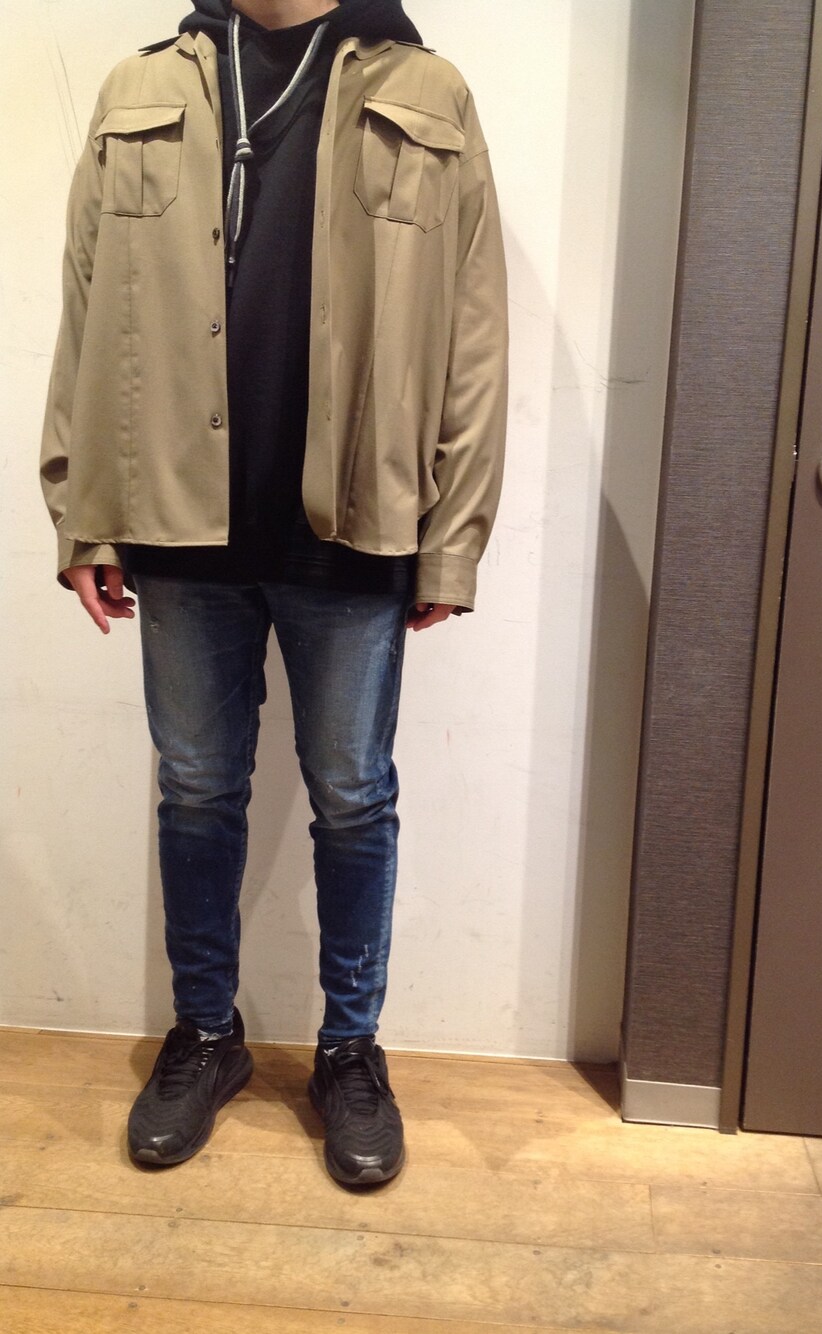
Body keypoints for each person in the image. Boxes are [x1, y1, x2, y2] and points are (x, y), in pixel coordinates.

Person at [39, 0, 507, 1187]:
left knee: (352, 795)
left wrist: (451, 539)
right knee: (197, 789)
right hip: (175, 516)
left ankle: (350, 1049)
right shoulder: (140, 89)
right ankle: (206, 1033)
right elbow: (87, 306)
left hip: (351, 517)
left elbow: (473, 330)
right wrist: (82, 506)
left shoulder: (428, 92)